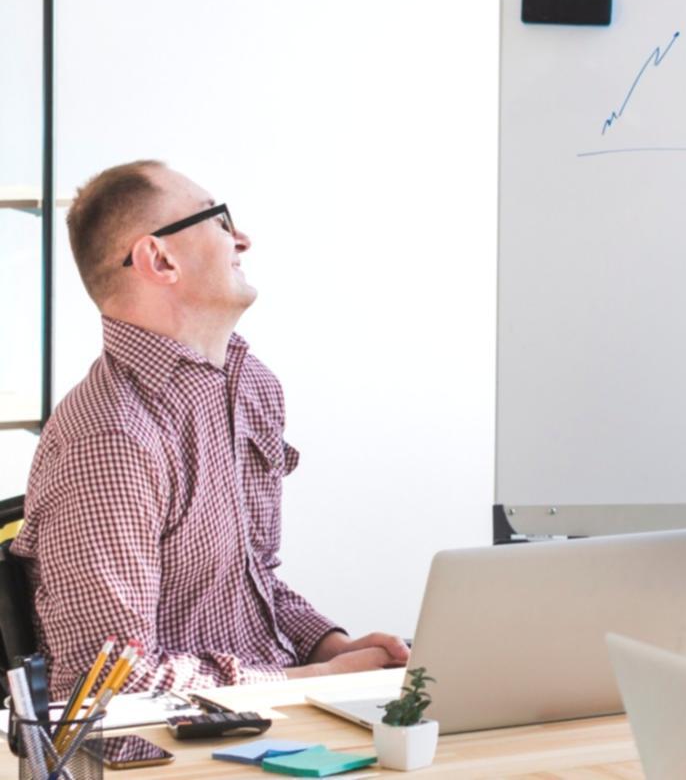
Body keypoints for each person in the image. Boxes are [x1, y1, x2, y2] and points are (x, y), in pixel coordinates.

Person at [13, 160, 410, 698]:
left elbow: (251, 581)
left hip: (271, 713)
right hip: (171, 739)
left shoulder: (250, 388)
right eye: (219, 220)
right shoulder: (110, 438)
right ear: (160, 258)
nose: (241, 239)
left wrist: (330, 647)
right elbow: (108, 686)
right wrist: (311, 682)